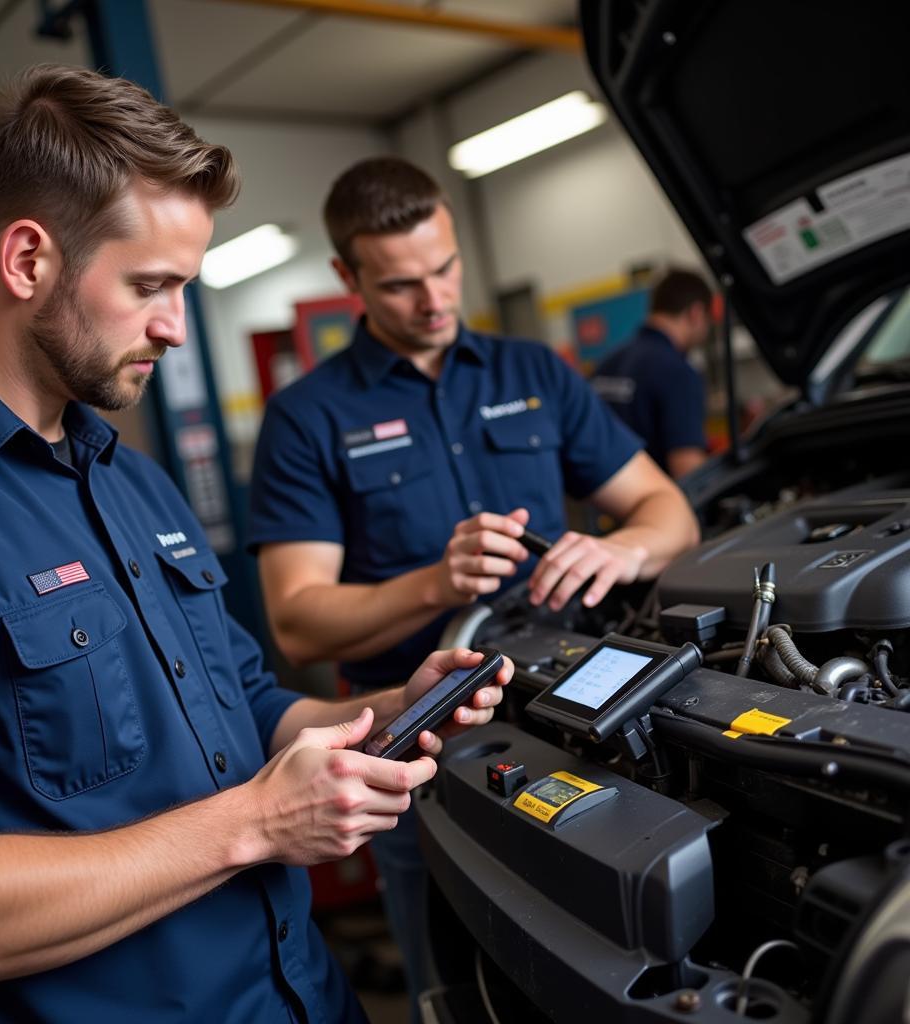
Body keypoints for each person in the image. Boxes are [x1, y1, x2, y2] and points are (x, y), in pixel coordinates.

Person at [0, 67, 512, 1024]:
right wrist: (259, 823)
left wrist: (389, 708)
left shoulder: (127, 476)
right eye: (150, 286)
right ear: (26, 260)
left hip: (303, 994)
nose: (177, 327)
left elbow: (243, 705)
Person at [247, 156, 701, 1017]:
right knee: (454, 984)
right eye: (402, 284)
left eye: (447, 268)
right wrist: (432, 583)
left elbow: (668, 509)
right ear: (349, 279)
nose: (435, 299)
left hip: (580, 722)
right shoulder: (309, 418)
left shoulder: (533, 375)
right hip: (418, 762)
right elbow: (298, 623)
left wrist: (624, 551)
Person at [590, 267, 714, 479]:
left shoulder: (606, 365)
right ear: (696, 313)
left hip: (605, 505)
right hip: (658, 505)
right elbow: (688, 469)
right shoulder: (678, 372)